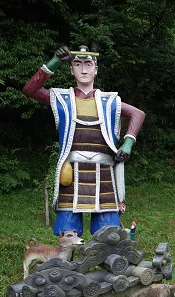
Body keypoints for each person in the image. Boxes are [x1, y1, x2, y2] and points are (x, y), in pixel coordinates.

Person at [23, 45, 145, 236]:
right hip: (70, 173)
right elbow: (30, 89)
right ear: (71, 69)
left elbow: (138, 114)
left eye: (88, 64)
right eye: (77, 64)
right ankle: (64, 263)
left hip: (103, 171)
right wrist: (54, 62)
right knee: (67, 232)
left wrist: (128, 143)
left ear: (96, 69)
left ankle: (109, 261)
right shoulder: (62, 98)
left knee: (108, 232)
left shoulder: (110, 101)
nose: (83, 69)